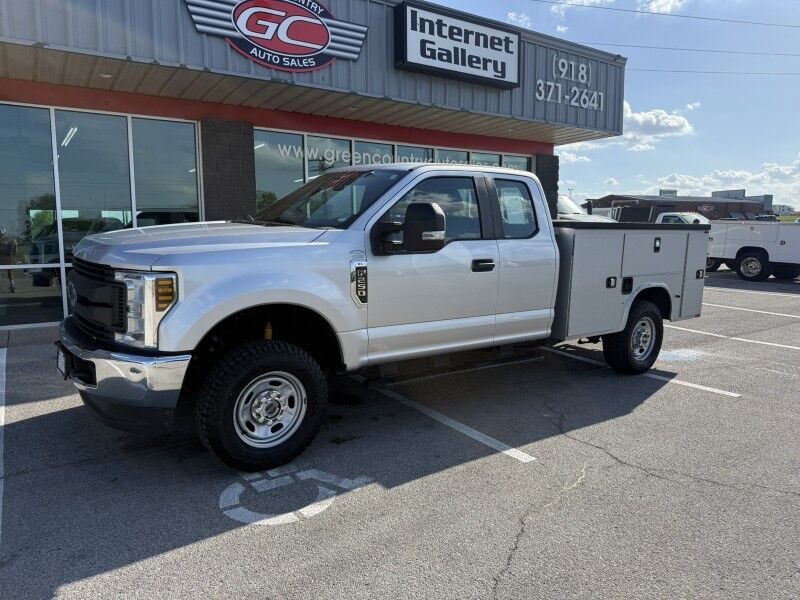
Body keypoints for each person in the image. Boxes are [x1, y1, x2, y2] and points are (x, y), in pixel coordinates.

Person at [0, 228, 18, 293]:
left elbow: (13, 251)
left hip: (7, 259)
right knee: (9, 272)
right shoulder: (7, 240)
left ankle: (12, 285)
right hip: (4, 258)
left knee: (9, 272)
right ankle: (12, 286)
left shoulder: (9, 240)